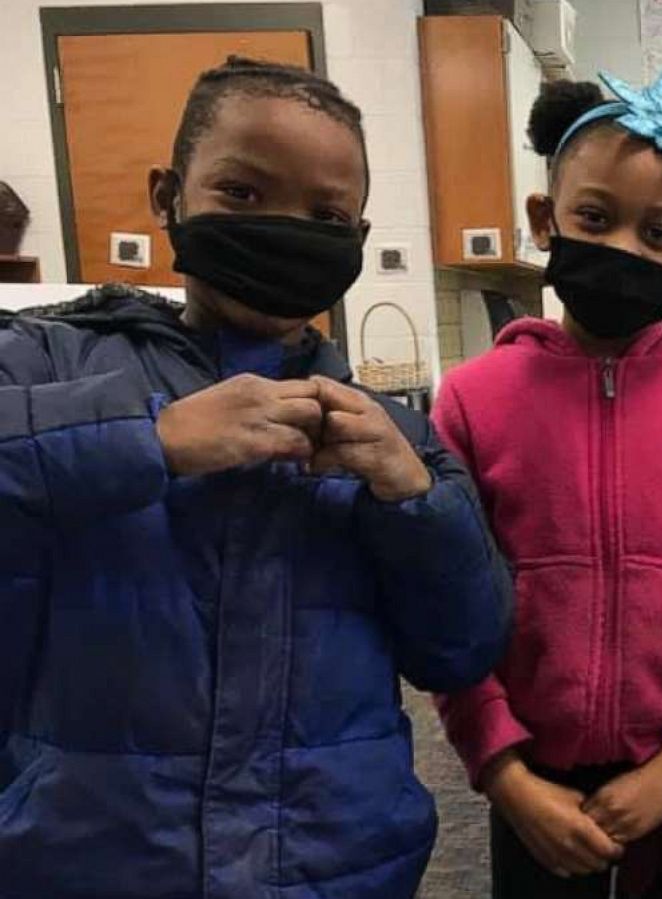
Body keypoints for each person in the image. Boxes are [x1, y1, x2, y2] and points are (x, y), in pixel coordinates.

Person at [0, 57, 512, 899]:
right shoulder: (48, 359)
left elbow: (464, 645)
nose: (285, 228)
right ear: (169, 196)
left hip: (332, 865)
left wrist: (413, 496)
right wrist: (147, 439)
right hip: (89, 859)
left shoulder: (397, 434)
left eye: (326, 213)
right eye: (241, 192)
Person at [431, 72, 662, 899]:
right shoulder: (471, 397)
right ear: (546, 220)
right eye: (596, 219)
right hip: (529, 770)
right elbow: (445, 601)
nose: (625, 250)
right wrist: (500, 768)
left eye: (659, 232)